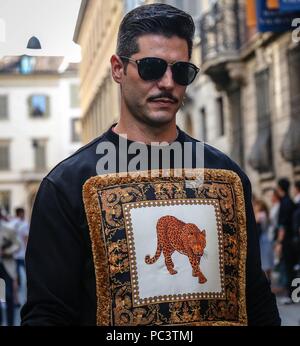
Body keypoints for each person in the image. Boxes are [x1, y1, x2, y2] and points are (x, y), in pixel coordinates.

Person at [21, 4, 280, 326]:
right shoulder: (67, 184)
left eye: (181, 71)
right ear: (118, 69)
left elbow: (253, 296)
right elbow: (49, 313)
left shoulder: (225, 175)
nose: (168, 83)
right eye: (152, 68)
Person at [276, 178, 296, 304]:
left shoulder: (284, 203)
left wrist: (279, 242)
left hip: (286, 241)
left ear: (280, 188)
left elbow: (282, 225)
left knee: (288, 268)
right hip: (292, 239)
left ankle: (291, 296)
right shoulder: (291, 201)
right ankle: (294, 295)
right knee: (292, 268)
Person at [253, 200, 274, 281]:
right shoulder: (266, 214)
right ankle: (269, 282)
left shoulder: (260, 215)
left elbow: (257, 226)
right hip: (267, 239)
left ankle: (267, 283)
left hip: (262, 241)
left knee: (264, 264)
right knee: (268, 263)